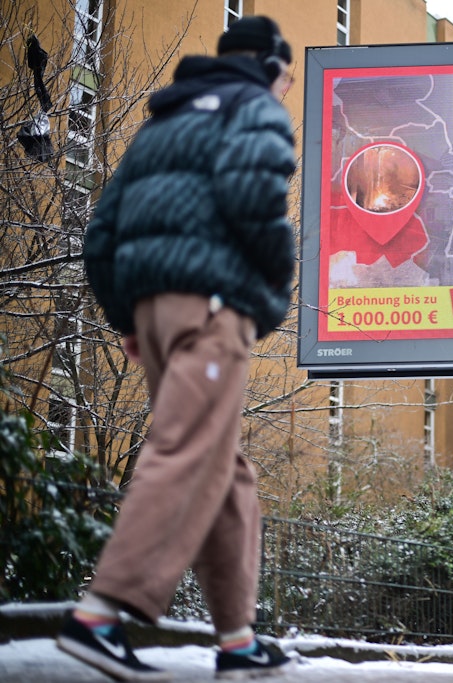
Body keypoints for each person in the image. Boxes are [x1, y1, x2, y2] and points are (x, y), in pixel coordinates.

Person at [56, 16, 297, 681]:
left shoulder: (162, 122)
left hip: (154, 311)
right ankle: (100, 614)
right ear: (273, 67)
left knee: (225, 469)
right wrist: (275, 282)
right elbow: (256, 199)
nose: (285, 88)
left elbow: (102, 228)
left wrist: (126, 314)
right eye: (289, 77)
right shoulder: (256, 108)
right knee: (188, 450)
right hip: (212, 307)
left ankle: (237, 638)